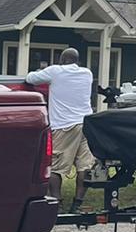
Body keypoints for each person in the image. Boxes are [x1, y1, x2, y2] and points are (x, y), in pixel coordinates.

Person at [25, 48, 96, 212]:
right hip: (86, 124)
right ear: (77, 61)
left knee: (56, 167)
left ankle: (57, 203)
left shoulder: (55, 71)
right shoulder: (87, 73)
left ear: (62, 60)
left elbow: (30, 78)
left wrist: (41, 71)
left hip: (64, 126)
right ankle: (77, 204)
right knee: (84, 166)